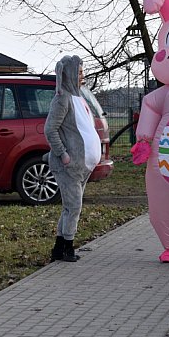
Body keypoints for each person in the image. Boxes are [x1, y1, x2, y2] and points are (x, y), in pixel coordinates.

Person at [44, 55, 101, 262]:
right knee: (74, 207)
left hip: (82, 166)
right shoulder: (62, 99)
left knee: (70, 207)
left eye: (82, 71)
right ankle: (67, 247)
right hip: (69, 166)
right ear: (68, 73)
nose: (82, 75)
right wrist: (63, 154)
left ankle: (59, 249)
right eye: (78, 71)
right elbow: (50, 129)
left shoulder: (79, 97)